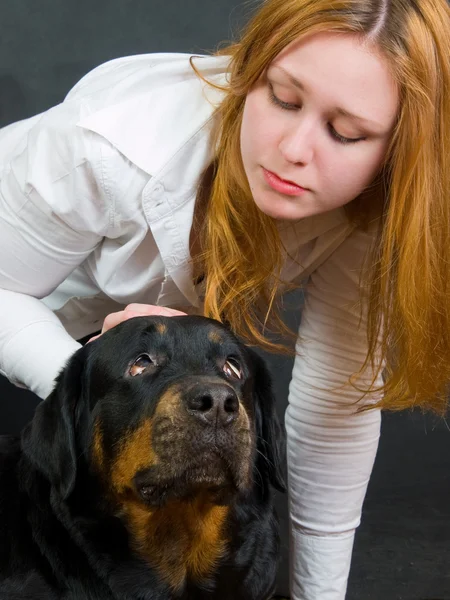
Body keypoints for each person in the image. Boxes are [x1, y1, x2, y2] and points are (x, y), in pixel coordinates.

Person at [1, 0, 449, 597]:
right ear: (247, 75)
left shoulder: (373, 213)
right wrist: (91, 379)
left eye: (347, 133)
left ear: (399, 152)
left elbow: (331, 415)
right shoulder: (104, 143)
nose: (294, 149)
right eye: (283, 99)